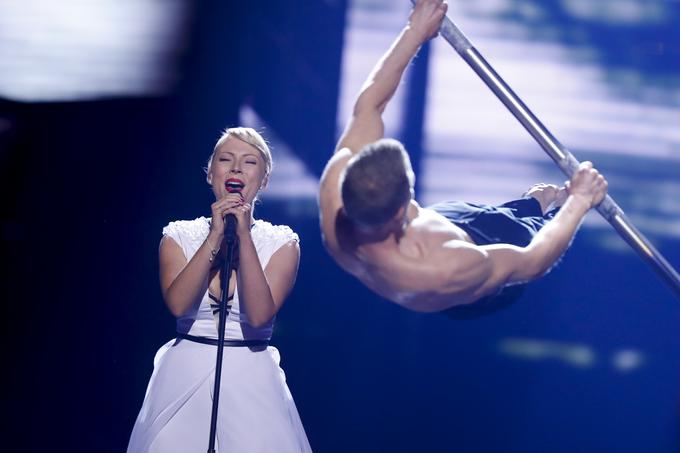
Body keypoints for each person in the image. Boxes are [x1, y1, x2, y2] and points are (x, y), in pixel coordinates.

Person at [318, 0, 608, 316]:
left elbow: (369, 106)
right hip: (475, 268)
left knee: (508, 210)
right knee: (538, 224)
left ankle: (534, 201)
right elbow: (532, 261)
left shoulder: (337, 184)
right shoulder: (446, 270)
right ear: (403, 207)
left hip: (444, 223)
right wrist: (580, 201)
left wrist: (415, 31)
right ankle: (554, 207)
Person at [128, 127, 312, 452]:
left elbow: (258, 317)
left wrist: (242, 236)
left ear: (264, 179)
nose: (236, 168)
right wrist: (214, 236)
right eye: (226, 160)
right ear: (211, 173)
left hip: (252, 377)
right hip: (182, 375)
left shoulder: (282, 243)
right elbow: (179, 305)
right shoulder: (178, 236)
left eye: (249, 162)